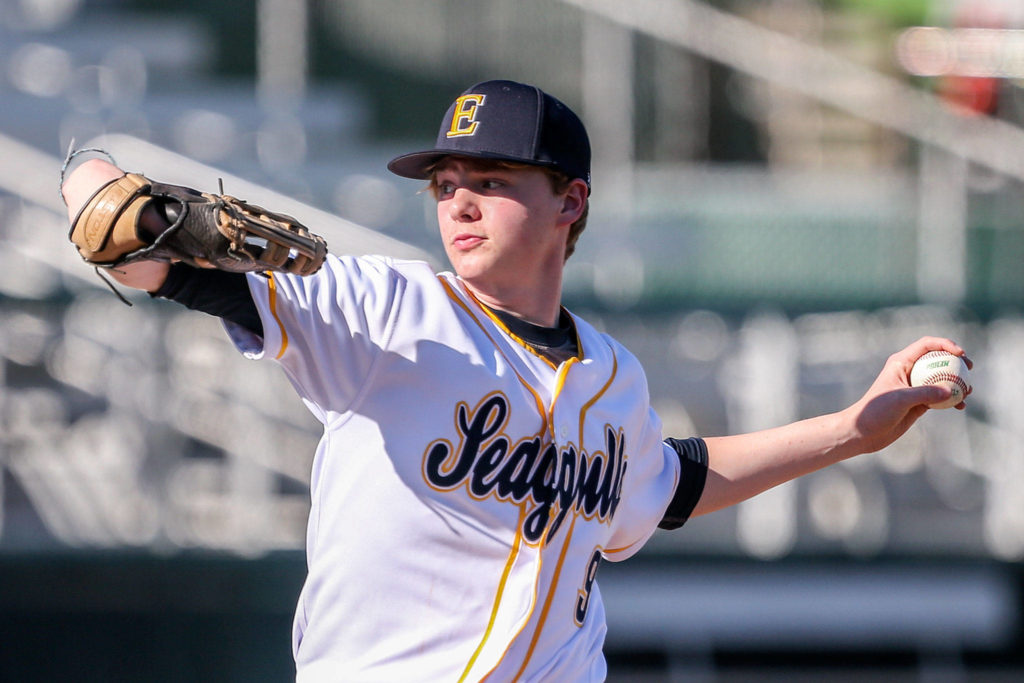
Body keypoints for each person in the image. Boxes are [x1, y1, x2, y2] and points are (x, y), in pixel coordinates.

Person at [61, 79, 971, 682]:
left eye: (489, 179)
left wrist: (855, 426)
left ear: (569, 201)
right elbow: (141, 255)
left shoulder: (613, 375)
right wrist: (100, 190)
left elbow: (673, 482)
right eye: (444, 181)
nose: (456, 199)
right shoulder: (376, 308)